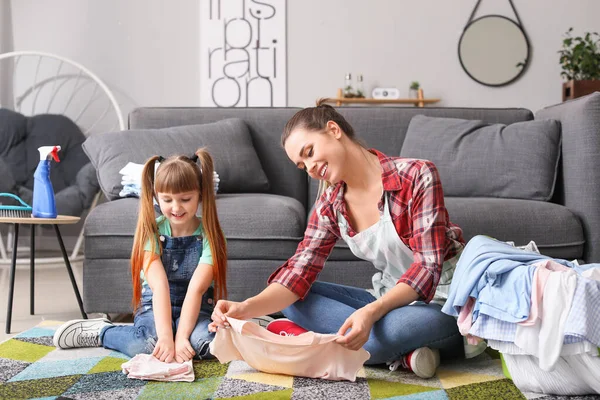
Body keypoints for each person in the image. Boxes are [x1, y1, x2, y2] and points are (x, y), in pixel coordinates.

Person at [209, 100, 465, 378]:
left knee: (382, 336)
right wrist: (244, 308)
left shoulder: (417, 175)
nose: (309, 168)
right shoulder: (330, 205)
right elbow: (298, 272)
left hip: (445, 299)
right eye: (301, 164)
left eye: (309, 152)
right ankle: (399, 351)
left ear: (333, 130)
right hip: (388, 295)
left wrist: (371, 313)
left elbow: (428, 267)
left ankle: (368, 343)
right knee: (293, 299)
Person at [53, 148, 227, 363]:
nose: (176, 207)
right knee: (146, 345)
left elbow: (197, 288)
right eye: (167, 200)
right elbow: (160, 287)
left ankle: (244, 326)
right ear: (156, 198)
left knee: (207, 345)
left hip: (196, 306)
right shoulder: (151, 232)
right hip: (154, 304)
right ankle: (103, 332)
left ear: (200, 195)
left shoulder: (211, 235)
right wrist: (165, 338)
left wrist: (181, 337)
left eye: (185, 199)